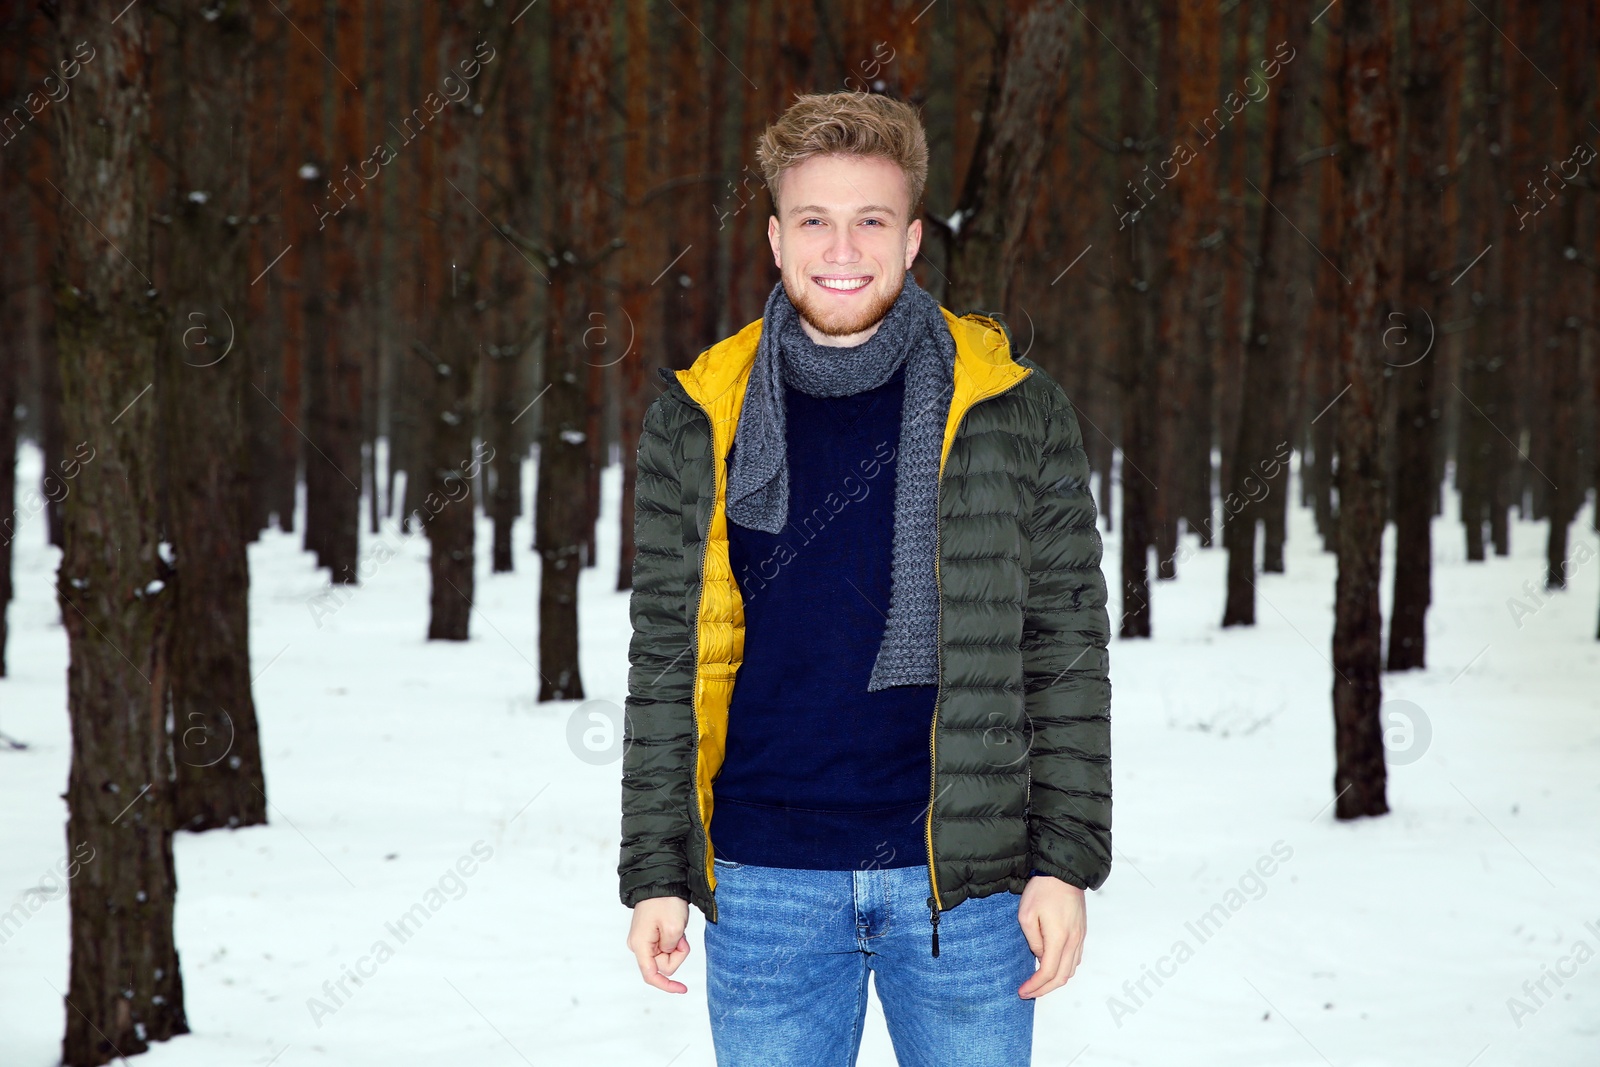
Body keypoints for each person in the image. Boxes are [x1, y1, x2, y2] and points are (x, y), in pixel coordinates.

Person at [619, 90, 1112, 1067]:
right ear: (772, 236)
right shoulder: (696, 412)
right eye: (814, 219)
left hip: (966, 890)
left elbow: (1065, 646)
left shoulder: (1009, 404)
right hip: (763, 883)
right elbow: (667, 654)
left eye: (869, 220)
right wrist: (655, 870)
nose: (840, 247)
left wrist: (1064, 861)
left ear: (913, 236)